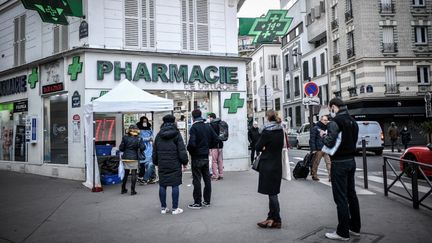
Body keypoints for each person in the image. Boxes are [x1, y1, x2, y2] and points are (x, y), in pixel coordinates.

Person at [322, 98, 361, 241]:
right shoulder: (352, 121)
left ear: (333, 107)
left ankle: (342, 232)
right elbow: (354, 140)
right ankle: (355, 227)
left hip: (339, 162)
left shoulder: (335, 122)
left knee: (341, 197)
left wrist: (323, 137)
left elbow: (330, 141)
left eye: (330, 109)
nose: (330, 112)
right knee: (352, 195)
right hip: (351, 161)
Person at [153, 115, 188, 215]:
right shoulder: (177, 134)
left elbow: (154, 150)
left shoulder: (159, 135)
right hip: (174, 163)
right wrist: (184, 162)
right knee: (175, 184)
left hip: (162, 163)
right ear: (173, 122)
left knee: (162, 185)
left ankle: (163, 208)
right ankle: (175, 208)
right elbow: (181, 150)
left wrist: (156, 162)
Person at [255, 110, 284, 229]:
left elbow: (257, 146)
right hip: (277, 165)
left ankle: (277, 220)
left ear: (267, 117)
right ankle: (270, 218)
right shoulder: (280, 130)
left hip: (267, 165)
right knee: (273, 192)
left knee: (272, 194)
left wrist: (264, 146)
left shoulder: (266, 132)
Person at [187, 109, 218, 209]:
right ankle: (207, 201)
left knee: (197, 179)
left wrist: (191, 151)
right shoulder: (207, 126)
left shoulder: (194, 128)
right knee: (207, 179)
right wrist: (208, 147)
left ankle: (197, 202)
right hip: (205, 156)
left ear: (193, 117)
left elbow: (191, 143)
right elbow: (216, 138)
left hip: (196, 157)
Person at [119, 124, 145, 195]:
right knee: (134, 173)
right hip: (134, 158)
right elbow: (143, 148)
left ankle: (123, 188)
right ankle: (132, 191)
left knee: (126, 173)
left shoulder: (125, 137)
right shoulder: (139, 138)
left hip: (126, 157)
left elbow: (121, 148)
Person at [309, 115, 331, 181]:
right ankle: (314, 175)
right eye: (324, 120)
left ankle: (331, 176)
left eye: (326, 120)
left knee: (329, 162)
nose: (326, 121)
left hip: (326, 148)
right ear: (321, 120)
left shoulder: (328, 128)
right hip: (319, 148)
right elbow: (312, 139)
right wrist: (313, 149)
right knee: (316, 162)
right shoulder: (316, 128)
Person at [136, 116, 157, 185]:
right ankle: (142, 177)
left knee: (150, 163)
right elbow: (138, 138)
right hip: (142, 147)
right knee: (142, 163)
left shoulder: (149, 128)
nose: (145, 122)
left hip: (149, 147)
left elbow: (152, 136)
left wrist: (151, 138)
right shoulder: (138, 128)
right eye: (143, 121)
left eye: (146, 121)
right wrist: (147, 139)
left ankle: (151, 177)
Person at [208, 113, 224, 180]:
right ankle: (221, 174)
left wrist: (209, 146)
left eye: (209, 117)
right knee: (220, 160)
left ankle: (215, 175)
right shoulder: (220, 123)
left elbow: (211, 136)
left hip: (214, 145)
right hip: (220, 144)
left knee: (214, 161)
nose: (209, 119)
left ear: (212, 118)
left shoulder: (212, 125)